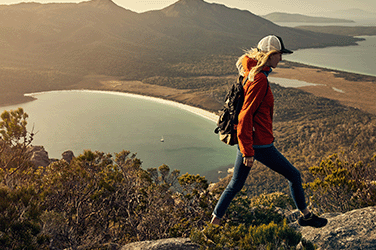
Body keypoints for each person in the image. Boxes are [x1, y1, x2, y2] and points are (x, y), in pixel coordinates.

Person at [210, 35, 328, 228]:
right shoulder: (260, 80)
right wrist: (248, 150)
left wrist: (245, 146)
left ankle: (213, 224)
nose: (281, 58)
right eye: (279, 54)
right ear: (271, 54)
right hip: (258, 143)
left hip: (249, 140)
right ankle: (306, 216)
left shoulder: (250, 73)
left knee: (234, 185)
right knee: (294, 175)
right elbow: (245, 116)